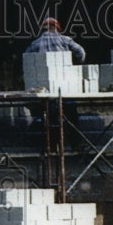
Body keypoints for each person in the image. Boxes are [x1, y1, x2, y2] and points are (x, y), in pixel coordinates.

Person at [25, 17, 84, 151]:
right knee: (71, 116)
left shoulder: (35, 44)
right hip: (66, 87)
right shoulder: (65, 39)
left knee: (51, 118)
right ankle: (77, 145)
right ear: (55, 28)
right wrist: (75, 66)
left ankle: (52, 147)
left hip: (45, 90)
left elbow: (27, 61)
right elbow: (81, 52)